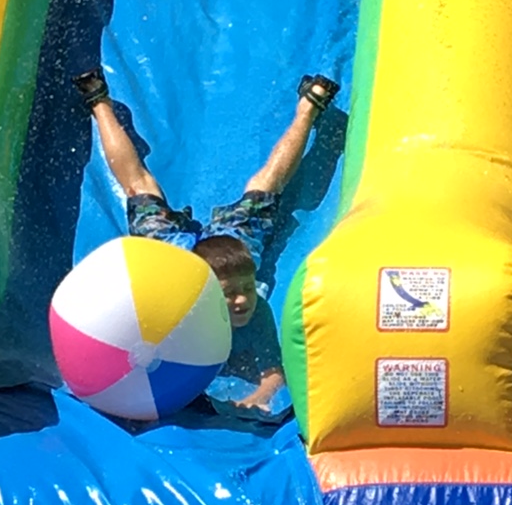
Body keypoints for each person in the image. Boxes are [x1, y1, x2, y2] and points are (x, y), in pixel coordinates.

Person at [73, 67, 339, 414]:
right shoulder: (172, 312)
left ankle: (307, 110)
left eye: (245, 288)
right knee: (138, 186)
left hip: (231, 242)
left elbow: (273, 374)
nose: (242, 300)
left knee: (266, 187)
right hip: (176, 256)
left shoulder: (254, 304)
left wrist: (258, 396)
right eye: (229, 294)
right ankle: (100, 102)